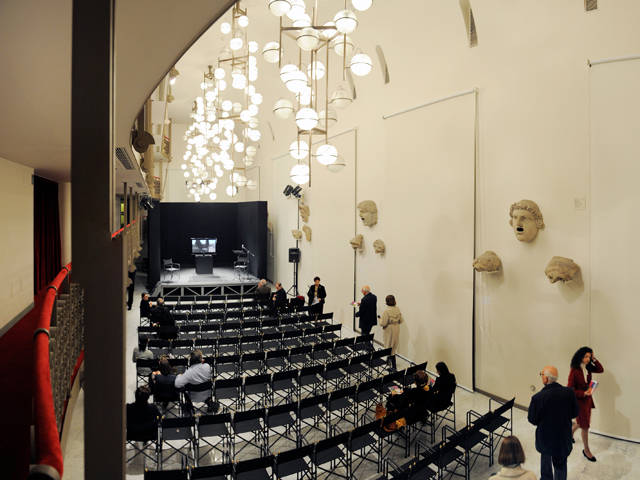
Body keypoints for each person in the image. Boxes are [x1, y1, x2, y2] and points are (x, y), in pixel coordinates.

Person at [528, 365, 579, 480]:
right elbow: (575, 413)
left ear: (545, 378)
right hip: (563, 438)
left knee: (545, 462)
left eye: (541, 375)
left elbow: (532, 419)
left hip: (545, 438)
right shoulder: (569, 392)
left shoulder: (538, 397)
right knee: (561, 464)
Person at [567, 346, 604, 462]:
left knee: (582, 422)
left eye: (589, 356)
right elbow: (569, 389)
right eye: (585, 356)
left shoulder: (588, 368)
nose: (587, 359)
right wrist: (583, 393)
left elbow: (600, 369)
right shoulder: (574, 370)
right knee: (585, 425)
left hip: (587, 400)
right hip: (580, 401)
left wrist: (594, 359)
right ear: (580, 356)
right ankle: (586, 450)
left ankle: (569, 435)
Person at [380, 294, 403, 369]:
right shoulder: (398, 309)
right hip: (396, 328)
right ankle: (388, 361)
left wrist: (380, 319)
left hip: (389, 330)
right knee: (393, 346)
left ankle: (394, 366)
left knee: (389, 347)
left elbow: (383, 323)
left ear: (386, 301)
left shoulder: (386, 310)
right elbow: (401, 320)